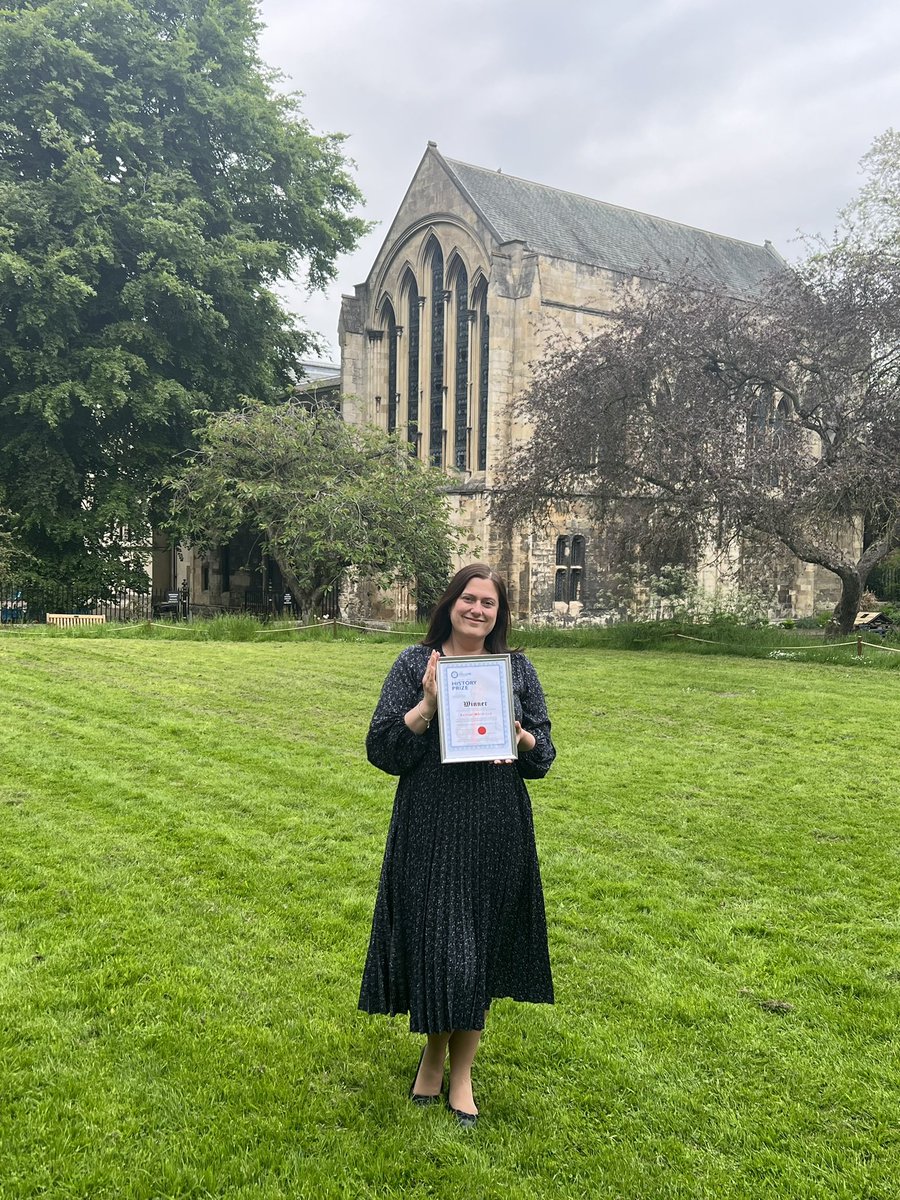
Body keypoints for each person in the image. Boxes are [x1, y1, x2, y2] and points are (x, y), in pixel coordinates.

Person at [358, 563, 555, 1129]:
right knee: (442, 944)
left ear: (500, 614)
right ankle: (432, 1054)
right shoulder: (414, 665)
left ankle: (459, 1071)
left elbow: (543, 757)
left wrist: (519, 736)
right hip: (431, 819)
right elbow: (383, 749)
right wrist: (425, 704)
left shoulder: (516, 669)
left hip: (495, 821)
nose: (477, 610)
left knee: (479, 948)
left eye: (488, 603)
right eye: (468, 599)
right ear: (449, 604)